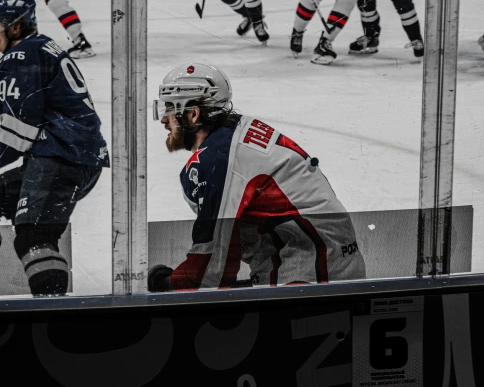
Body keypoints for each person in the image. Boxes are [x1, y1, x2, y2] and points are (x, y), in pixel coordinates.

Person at [147, 63, 365, 291]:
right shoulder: (233, 134)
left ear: (193, 114)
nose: (164, 119)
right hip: (326, 256)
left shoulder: (217, 160)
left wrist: (167, 283)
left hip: (311, 268)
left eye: (170, 108)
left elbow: (211, 270)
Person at [0, 0, 109, 298]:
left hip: (61, 156)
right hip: (70, 155)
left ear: (15, 27)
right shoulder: (43, 47)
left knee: (34, 235)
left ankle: (51, 320)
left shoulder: (20, 55)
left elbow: (19, 130)